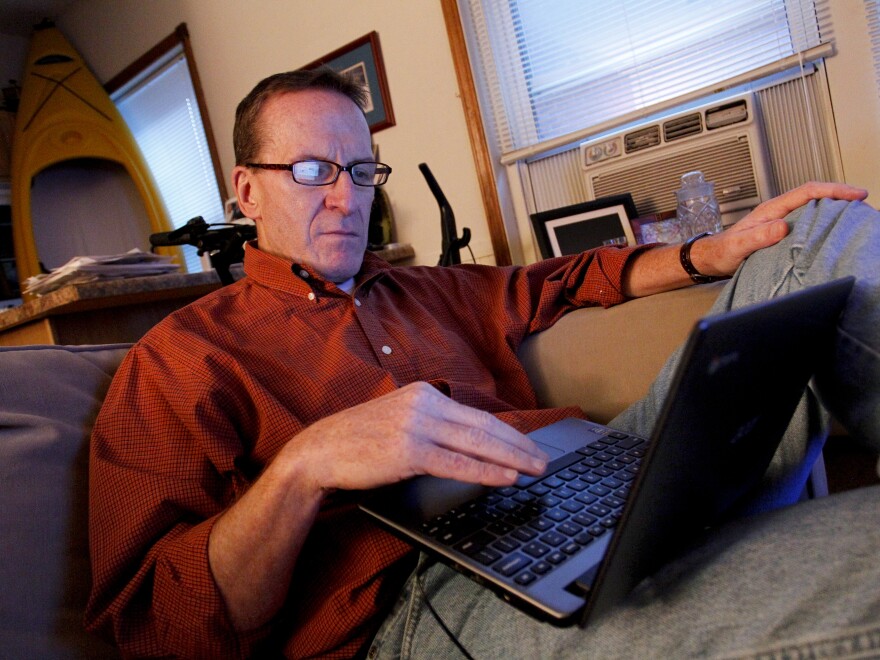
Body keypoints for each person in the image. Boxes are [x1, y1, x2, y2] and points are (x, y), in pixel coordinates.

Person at [85, 68, 880, 659]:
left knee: (819, 225)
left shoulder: (424, 289)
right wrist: (304, 466)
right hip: (425, 603)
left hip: (586, 478)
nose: (345, 198)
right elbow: (154, 631)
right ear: (246, 192)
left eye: (361, 172)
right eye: (310, 171)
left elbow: (559, 279)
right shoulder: (182, 359)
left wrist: (715, 251)